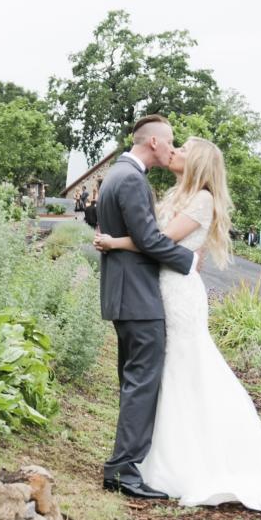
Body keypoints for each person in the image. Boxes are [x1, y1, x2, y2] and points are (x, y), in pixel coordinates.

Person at [94, 137, 261, 512]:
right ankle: (152, 454)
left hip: (178, 292)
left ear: (196, 162)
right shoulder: (178, 194)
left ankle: (195, 458)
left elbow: (156, 241)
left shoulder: (203, 199)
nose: (173, 151)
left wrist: (115, 242)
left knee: (186, 368)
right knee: (165, 374)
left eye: (181, 150)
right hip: (160, 287)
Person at [96, 115, 196, 499]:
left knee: (132, 381)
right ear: (153, 142)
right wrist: (188, 262)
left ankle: (126, 464)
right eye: (170, 143)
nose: (172, 150)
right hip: (138, 298)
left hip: (123, 295)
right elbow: (150, 240)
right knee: (142, 383)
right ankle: (123, 470)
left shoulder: (115, 175)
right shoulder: (132, 179)